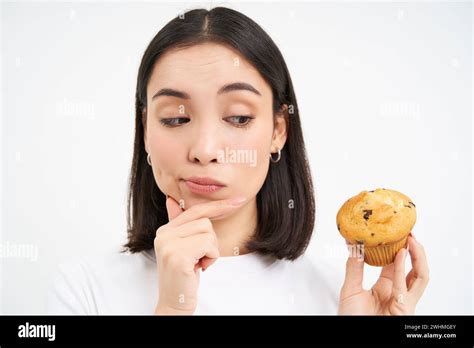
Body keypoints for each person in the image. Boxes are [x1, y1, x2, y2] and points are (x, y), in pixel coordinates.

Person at [47, 7, 429, 315]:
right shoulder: (83, 291)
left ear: (279, 129)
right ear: (145, 128)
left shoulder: (344, 298)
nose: (205, 149)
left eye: (239, 117)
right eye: (176, 118)